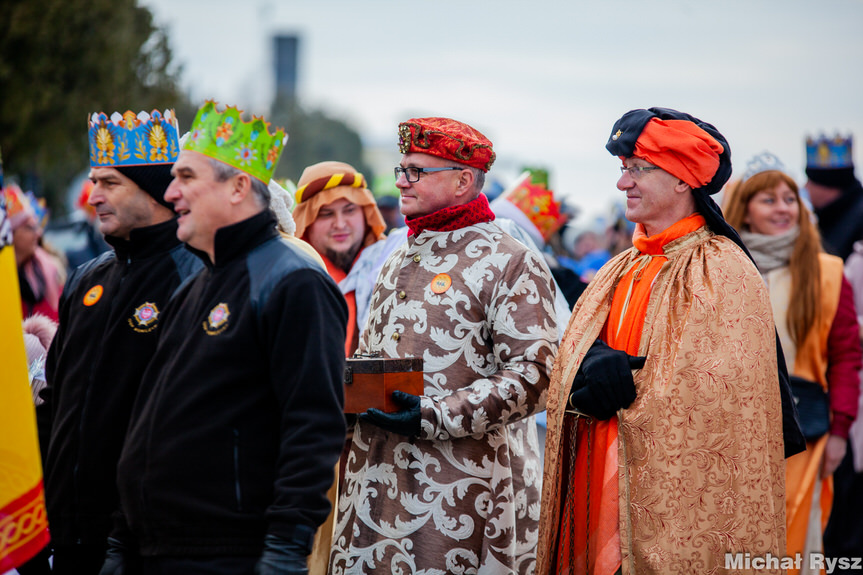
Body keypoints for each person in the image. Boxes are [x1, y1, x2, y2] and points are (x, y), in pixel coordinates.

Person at [537, 108, 798, 575]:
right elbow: (570, 354)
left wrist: (628, 387)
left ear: (683, 180)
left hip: (668, 503)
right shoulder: (622, 265)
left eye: (639, 170)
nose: (624, 184)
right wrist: (588, 365)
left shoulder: (721, 269)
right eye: (623, 171)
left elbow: (717, 397)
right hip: (600, 481)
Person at [106, 101, 348, 575]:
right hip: (161, 551)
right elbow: (150, 415)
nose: (171, 191)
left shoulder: (294, 281)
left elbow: (313, 426)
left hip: (233, 555)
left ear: (239, 186)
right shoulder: (196, 282)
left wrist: (284, 550)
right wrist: (122, 535)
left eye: (187, 177)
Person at [329, 117, 560, 574]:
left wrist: (434, 415)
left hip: (462, 493)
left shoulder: (510, 260)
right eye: (401, 168)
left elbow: (537, 375)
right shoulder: (398, 253)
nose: (400, 181)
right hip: (375, 485)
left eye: (417, 171)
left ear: (463, 180)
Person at [34, 109, 202, 575]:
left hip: (146, 546)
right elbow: (56, 400)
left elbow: (185, 428)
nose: (93, 197)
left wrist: (126, 539)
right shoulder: (87, 278)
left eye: (110, 183)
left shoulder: (195, 278)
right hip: (66, 535)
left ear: (151, 188)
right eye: (93, 181)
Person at [724, 151, 861, 573]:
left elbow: (845, 356)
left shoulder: (825, 272)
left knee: (795, 536)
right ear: (744, 208)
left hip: (805, 429)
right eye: (768, 199)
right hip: (731, 428)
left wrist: (840, 430)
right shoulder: (722, 268)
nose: (782, 208)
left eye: (789, 198)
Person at [292, 160, 387, 357]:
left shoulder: (391, 266)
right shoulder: (291, 278)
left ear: (365, 213)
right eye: (326, 214)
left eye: (350, 210)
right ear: (307, 222)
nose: (340, 224)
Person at [5, 183, 64, 321]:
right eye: (29, 228)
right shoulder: (5, 278)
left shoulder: (49, 268)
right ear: (11, 234)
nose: (38, 233)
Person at [804, 134, 863, 261]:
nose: (806, 187)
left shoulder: (858, 220)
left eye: (811, 181)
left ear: (828, 185)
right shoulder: (825, 216)